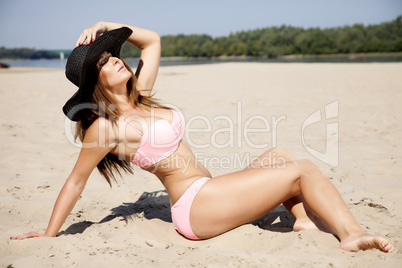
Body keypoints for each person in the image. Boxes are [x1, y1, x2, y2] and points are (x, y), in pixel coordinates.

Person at [10, 21, 396, 253]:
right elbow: (76, 180)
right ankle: (352, 235)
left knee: (279, 153)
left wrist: (106, 26)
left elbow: (152, 41)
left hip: (209, 191)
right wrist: (48, 233)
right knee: (303, 169)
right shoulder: (106, 127)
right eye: (103, 61)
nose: (115, 58)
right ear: (96, 82)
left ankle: (302, 222)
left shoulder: (140, 94)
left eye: (112, 54)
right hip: (195, 209)